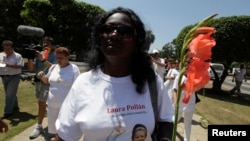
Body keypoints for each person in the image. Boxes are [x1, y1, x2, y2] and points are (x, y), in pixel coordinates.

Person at [55, 7, 174, 141]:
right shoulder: (83, 83)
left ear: (137, 41)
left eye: (124, 31)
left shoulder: (151, 81)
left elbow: (166, 119)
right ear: (99, 38)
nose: (114, 35)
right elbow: (64, 136)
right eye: (107, 30)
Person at [37, 47, 80, 138]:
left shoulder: (74, 69)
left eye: (61, 58)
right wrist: (42, 76)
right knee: (55, 129)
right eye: (57, 57)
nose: (58, 60)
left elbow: (78, 87)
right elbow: (47, 81)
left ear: (67, 57)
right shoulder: (53, 67)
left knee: (65, 129)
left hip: (66, 106)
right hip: (52, 105)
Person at [29, 36, 57, 139]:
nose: (45, 45)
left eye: (48, 43)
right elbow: (31, 69)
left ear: (52, 46)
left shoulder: (55, 55)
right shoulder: (39, 54)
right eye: (44, 43)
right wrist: (30, 57)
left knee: (41, 103)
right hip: (38, 82)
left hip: (48, 82)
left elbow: (55, 68)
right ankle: (52, 122)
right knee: (42, 103)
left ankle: (39, 126)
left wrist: (43, 59)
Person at [0, 40, 24, 119]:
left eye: (9, 48)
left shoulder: (17, 56)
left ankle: (8, 112)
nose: (7, 50)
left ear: (12, 48)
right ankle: (15, 106)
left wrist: (7, 65)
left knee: (9, 94)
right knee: (10, 93)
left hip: (14, 77)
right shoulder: (0, 55)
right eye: (5, 48)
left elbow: (20, 66)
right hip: (4, 76)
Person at [173, 74, 196, 141]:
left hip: (190, 103)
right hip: (179, 103)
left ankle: (186, 139)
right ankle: (171, 131)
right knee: (176, 119)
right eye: (187, 63)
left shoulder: (194, 77)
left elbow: (196, 89)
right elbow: (175, 89)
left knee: (188, 123)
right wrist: (175, 102)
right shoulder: (179, 76)